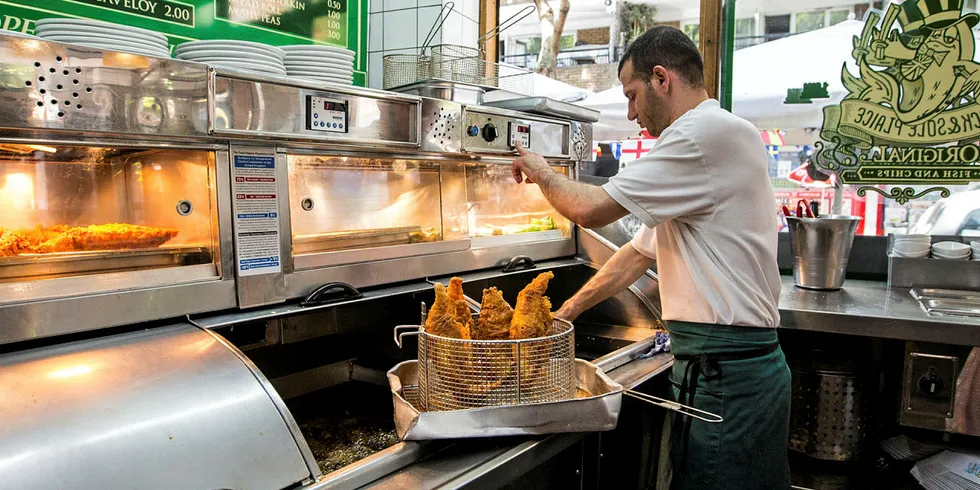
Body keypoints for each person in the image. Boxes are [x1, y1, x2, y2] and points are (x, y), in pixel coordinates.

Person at [510, 26, 789, 489]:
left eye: (633, 95)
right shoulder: (711, 140)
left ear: (662, 79)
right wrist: (567, 312)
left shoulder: (701, 136)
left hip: (728, 374)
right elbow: (635, 255)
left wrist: (540, 170)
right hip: (720, 371)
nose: (631, 111)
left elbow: (590, 209)